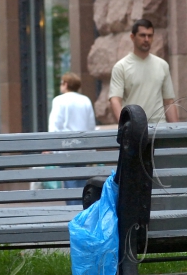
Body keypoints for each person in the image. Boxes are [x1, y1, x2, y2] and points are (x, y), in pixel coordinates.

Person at [109, 20, 179, 124]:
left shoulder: (162, 65)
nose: (146, 39)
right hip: (134, 128)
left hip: (159, 128)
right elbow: (115, 100)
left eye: (150, 36)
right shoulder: (121, 67)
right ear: (132, 37)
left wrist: (176, 130)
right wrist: (125, 126)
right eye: (142, 35)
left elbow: (169, 102)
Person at [48, 73, 97, 204]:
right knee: (82, 185)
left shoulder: (59, 100)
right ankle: (82, 214)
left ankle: (72, 214)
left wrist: (51, 147)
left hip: (66, 149)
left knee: (70, 185)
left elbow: (55, 126)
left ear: (65, 84)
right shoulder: (85, 100)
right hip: (83, 148)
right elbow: (91, 125)